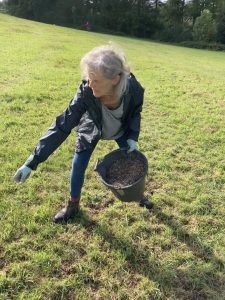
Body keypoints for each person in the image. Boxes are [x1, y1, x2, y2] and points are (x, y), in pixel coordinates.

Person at [14, 44, 153, 223]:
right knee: (78, 163)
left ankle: (137, 194)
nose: (89, 84)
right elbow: (62, 125)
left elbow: (135, 112)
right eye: (88, 78)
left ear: (115, 79)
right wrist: (31, 162)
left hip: (121, 129)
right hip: (92, 127)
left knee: (133, 159)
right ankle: (73, 205)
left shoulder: (133, 89)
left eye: (96, 80)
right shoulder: (86, 92)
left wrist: (133, 137)